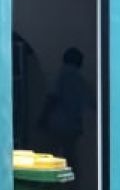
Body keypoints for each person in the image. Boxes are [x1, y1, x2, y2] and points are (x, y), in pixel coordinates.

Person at [39, 46, 94, 175]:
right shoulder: (81, 80)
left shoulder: (61, 75)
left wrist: (43, 118)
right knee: (71, 159)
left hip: (57, 124)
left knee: (52, 159)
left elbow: (52, 98)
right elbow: (92, 103)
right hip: (74, 126)